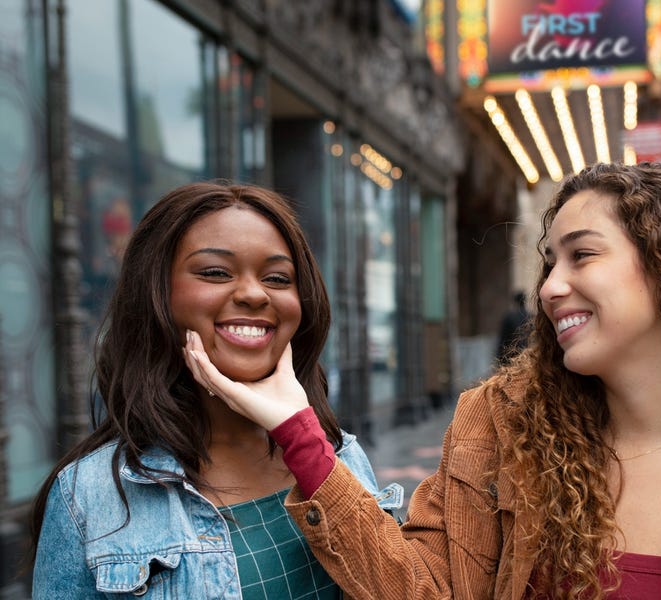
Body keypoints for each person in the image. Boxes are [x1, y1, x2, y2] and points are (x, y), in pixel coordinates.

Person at [180, 163, 661, 598]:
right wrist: (301, 434)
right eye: (550, 262)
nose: (552, 286)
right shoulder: (501, 423)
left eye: (582, 255)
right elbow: (421, 590)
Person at [30, 182, 401, 598]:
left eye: (278, 278)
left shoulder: (339, 458)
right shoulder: (88, 496)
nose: (252, 293)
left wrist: (302, 438)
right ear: (157, 295)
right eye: (215, 272)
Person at [495, 290, 532, 365]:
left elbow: (503, 340)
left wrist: (500, 360)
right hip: (529, 355)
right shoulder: (531, 316)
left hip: (512, 357)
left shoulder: (509, 317)